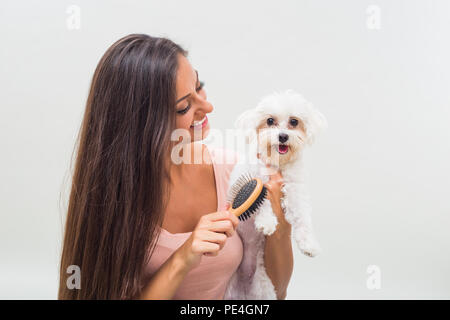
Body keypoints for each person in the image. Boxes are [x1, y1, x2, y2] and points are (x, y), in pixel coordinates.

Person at [58, 34, 293, 300]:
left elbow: (275, 293)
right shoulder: (110, 200)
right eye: (184, 107)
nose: (207, 106)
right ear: (142, 125)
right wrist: (184, 257)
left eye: (199, 85)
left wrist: (280, 224)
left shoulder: (233, 172)